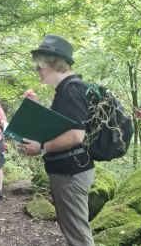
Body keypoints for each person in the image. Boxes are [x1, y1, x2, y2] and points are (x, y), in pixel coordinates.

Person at [22, 34, 94, 246]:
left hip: (71, 174)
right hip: (69, 171)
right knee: (73, 230)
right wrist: (33, 108)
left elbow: (76, 135)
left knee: (78, 235)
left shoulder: (70, 90)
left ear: (53, 63)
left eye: (39, 66)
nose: (37, 71)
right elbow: (59, 126)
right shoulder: (66, 90)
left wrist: (42, 147)